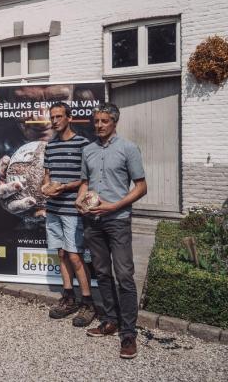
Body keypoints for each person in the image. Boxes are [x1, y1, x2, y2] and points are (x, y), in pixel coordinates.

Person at [75, 103, 147, 359]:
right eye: (96, 121)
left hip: (117, 220)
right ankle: (110, 320)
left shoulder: (128, 148)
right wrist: (80, 198)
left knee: (125, 276)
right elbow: (85, 182)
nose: (99, 125)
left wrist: (113, 206)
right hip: (93, 222)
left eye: (104, 121)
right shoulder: (88, 150)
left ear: (114, 122)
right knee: (102, 273)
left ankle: (128, 334)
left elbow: (141, 187)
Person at [41, 102, 95, 326]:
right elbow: (47, 175)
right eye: (52, 117)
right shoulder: (50, 146)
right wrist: (46, 187)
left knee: (75, 255)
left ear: (69, 118)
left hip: (72, 209)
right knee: (62, 253)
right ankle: (68, 297)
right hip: (53, 209)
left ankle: (88, 303)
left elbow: (86, 179)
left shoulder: (83, 144)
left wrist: (64, 187)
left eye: (59, 117)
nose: (55, 121)